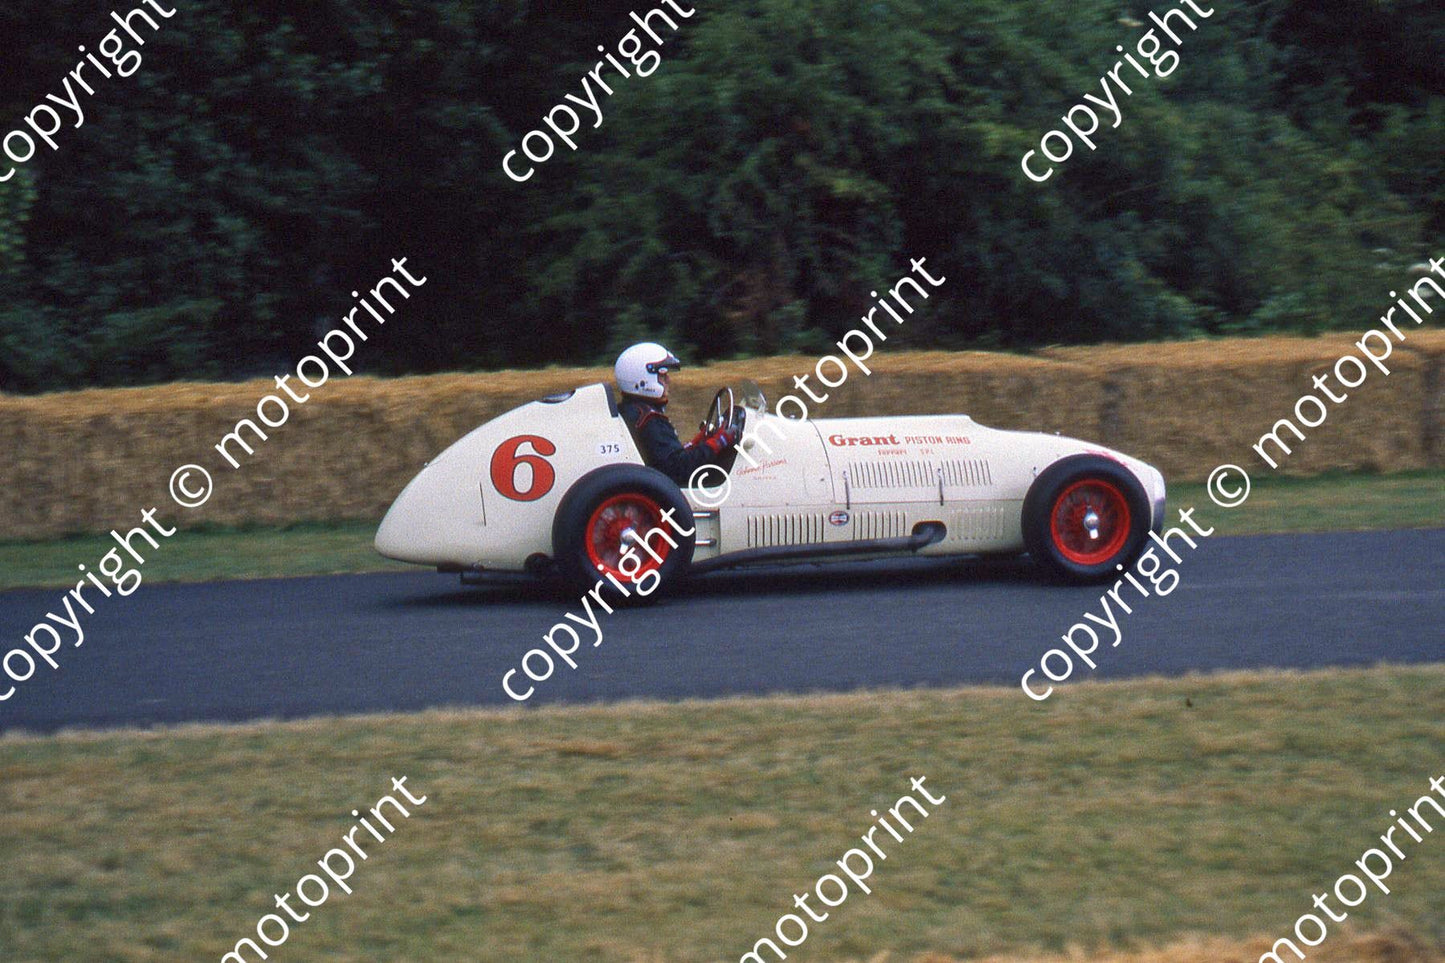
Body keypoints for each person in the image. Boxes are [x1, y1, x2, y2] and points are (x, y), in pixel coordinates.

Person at [614, 342, 738, 485]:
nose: (668, 380)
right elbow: (678, 467)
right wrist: (718, 442)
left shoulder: (633, 410)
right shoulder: (649, 420)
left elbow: (668, 456)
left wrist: (697, 442)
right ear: (642, 379)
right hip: (664, 489)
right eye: (662, 375)